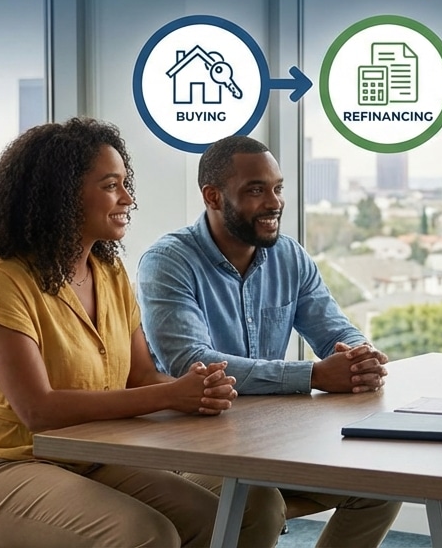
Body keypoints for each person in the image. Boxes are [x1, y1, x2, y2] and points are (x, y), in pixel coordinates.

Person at [0, 118, 283, 548]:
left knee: (238, 514)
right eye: (110, 185)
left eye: (124, 183)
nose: (128, 198)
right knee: (146, 536)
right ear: (60, 195)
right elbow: (37, 411)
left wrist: (199, 392)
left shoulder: (110, 272)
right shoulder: (3, 278)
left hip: (91, 459)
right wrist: (171, 396)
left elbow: (141, 379)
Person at [138, 134, 402, 548]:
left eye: (277, 188)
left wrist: (359, 354)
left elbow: (335, 331)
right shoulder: (168, 261)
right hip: (189, 446)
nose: (274, 202)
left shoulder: (289, 257)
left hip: (270, 437)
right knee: (256, 502)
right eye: (255, 190)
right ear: (212, 195)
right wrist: (313, 374)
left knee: (382, 475)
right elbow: (191, 361)